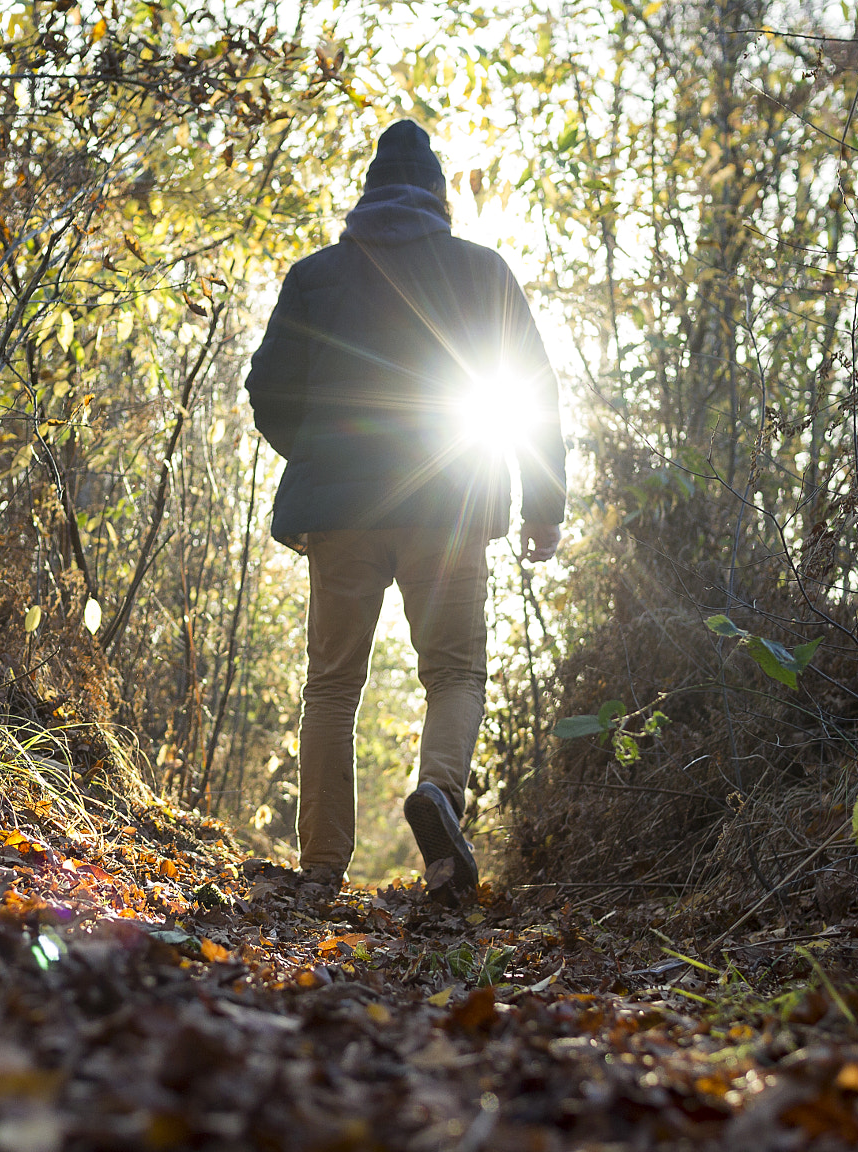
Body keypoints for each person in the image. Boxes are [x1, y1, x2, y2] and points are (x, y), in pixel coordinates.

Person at [244, 120, 566, 908]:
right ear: (439, 196)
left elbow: (266, 389)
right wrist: (542, 505)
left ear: (367, 195)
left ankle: (320, 869)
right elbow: (531, 391)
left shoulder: (318, 276)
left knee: (331, 687)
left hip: (343, 510)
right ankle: (440, 801)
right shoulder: (483, 273)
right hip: (449, 505)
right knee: (453, 673)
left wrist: (318, 452)